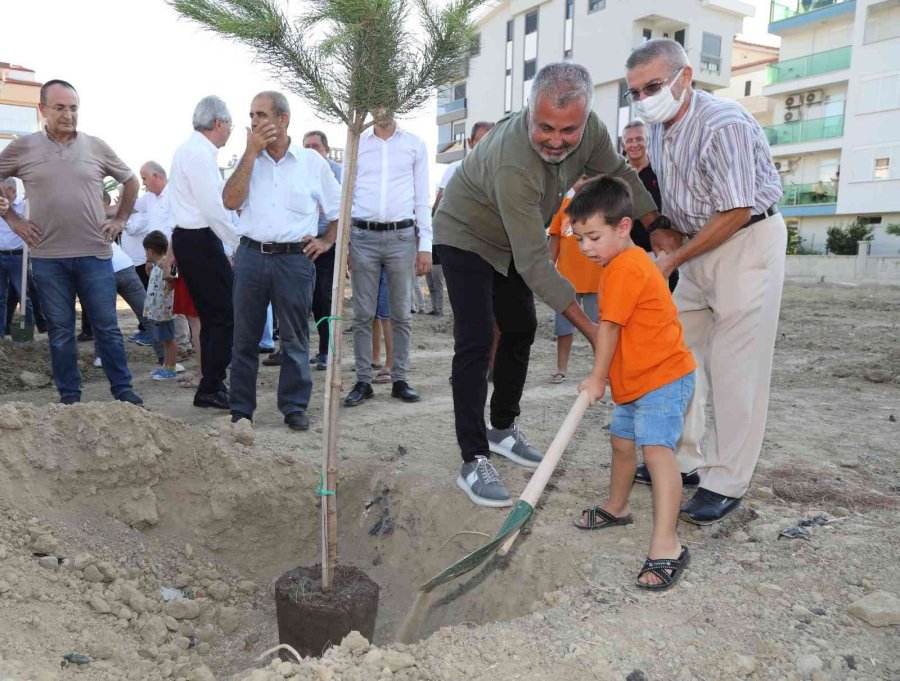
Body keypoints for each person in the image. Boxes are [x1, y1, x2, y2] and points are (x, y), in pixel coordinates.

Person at [433, 62, 659, 507]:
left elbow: (620, 175)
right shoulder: (513, 164)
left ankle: (501, 428)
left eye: (568, 130)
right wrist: (593, 333)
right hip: (466, 233)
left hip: (513, 239)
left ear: (586, 117)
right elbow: (536, 265)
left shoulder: (591, 131)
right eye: (545, 128)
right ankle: (473, 458)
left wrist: (658, 225)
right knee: (477, 338)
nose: (556, 140)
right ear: (528, 111)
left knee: (521, 328)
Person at [625, 39, 786, 524]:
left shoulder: (725, 124)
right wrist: (661, 228)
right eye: (636, 91)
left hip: (745, 241)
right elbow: (672, 195)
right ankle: (684, 457)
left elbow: (736, 209)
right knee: (676, 355)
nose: (645, 97)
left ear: (685, 76)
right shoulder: (657, 129)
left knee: (736, 367)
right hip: (697, 246)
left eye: (654, 85)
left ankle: (725, 480)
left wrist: (674, 262)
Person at [570, 176, 696, 591]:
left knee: (658, 453)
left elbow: (608, 329)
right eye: (579, 238)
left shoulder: (625, 268)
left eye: (593, 236)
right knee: (622, 443)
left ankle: (667, 545)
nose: (585, 247)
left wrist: (596, 378)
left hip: (662, 377)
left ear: (623, 227)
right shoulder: (619, 263)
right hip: (635, 381)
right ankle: (618, 506)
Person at [0, 79, 143, 405]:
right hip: (49, 258)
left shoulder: (95, 146)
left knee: (107, 329)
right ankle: (70, 400)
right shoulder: (24, 148)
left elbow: (130, 180)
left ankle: (123, 392)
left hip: (94, 254)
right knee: (62, 333)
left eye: (74, 108)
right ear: (42, 110)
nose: (68, 114)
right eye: (60, 107)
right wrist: (14, 220)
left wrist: (119, 220)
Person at [223, 91, 340, 431]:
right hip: (250, 256)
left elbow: (337, 208)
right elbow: (230, 200)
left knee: (294, 337)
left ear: (283, 119)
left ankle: (293, 406)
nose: (254, 122)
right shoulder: (248, 161)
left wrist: (327, 240)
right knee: (244, 337)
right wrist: (249, 153)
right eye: (251, 115)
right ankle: (241, 409)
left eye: (261, 114)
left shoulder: (311, 162)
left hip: (294, 260)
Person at [344, 107, 432, 407]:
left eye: (388, 101)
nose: (382, 109)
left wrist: (426, 244)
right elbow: (347, 192)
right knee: (362, 314)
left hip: (401, 237)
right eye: (376, 102)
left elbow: (422, 195)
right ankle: (363, 381)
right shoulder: (357, 143)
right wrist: (345, 243)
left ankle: (400, 379)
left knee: (401, 313)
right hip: (363, 236)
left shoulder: (414, 145)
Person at [168, 95, 240, 409]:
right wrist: (238, 243)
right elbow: (214, 207)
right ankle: (211, 385)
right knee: (224, 316)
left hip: (192, 239)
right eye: (231, 125)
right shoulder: (198, 153)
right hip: (200, 239)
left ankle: (210, 383)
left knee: (214, 317)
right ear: (219, 123)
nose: (231, 132)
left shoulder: (189, 150)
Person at [429, 121, 496, 317]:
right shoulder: (455, 168)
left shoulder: (502, 171)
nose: (486, 147)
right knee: (467, 310)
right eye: (482, 141)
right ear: (470, 142)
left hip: (490, 248)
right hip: (459, 247)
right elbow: (439, 204)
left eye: (492, 142)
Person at [547, 174, 601, 383]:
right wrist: (549, 271)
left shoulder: (601, 207)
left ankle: (602, 370)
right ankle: (561, 368)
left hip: (597, 279)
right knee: (563, 327)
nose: (581, 181)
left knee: (600, 327)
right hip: (566, 280)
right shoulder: (563, 207)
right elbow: (555, 241)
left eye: (587, 177)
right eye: (578, 177)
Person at [621, 119, 679, 293]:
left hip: (659, 253)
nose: (634, 144)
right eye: (629, 140)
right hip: (626, 254)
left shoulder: (662, 172)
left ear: (647, 141)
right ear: (623, 145)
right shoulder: (616, 176)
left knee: (663, 303)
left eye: (639, 139)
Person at [302, 129, 343, 371]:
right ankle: (297, 350)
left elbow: (340, 209)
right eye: (306, 146)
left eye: (315, 146)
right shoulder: (299, 171)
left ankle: (326, 351)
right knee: (301, 299)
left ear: (326, 150)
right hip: (303, 244)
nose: (311, 151)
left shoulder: (336, 172)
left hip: (328, 243)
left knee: (324, 298)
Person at [119, 161, 171, 346]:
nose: (143, 184)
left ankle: (180, 343)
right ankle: (164, 340)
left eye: (144, 179)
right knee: (159, 300)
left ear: (156, 176)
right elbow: (130, 208)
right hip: (155, 260)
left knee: (175, 301)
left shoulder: (176, 195)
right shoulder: (148, 199)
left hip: (173, 258)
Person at [141, 231, 179, 380]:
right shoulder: (156, 265)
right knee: (165, 339)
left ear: (150, 251)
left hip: (165, 311)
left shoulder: (166, 264)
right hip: (159, 311)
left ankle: (171, 367)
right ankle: (166, 365)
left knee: (169, 339)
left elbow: (173, 279)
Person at [0, 178, 35, 338]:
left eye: (2, 190)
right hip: (1, 255)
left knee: (23, 296)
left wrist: (34, 199)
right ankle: (0, 334)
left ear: (12, 190)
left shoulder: (25, 204)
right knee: (0, 297)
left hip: (18, 258)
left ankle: (26, 334)